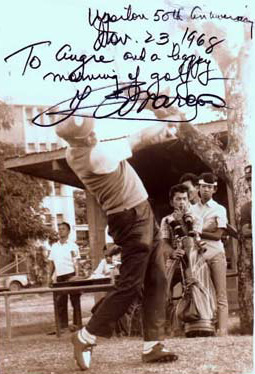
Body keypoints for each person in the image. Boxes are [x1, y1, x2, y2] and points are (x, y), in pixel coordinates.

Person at [55, 109, 183, 369]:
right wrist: (164, 122)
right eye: (87, 132)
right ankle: (86, 336)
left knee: (156, 277)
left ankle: (153, 344)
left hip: (139, 212)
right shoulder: (97, 156)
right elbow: (138, 139)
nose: (93, 133)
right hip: (132, 218)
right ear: (80, 141)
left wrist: (161, 124)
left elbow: (126, 137)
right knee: (130, 285)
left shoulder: (74, 151)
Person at [192, 173, 229, 337]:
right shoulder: (192, 209)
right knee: (201, 291)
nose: (205, 190)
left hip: (215, 253)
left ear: (214, 189)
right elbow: (188, 233)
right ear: (198, 188)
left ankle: (223, 330)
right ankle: (205, 327)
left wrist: (199, 231)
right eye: (203, 186)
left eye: (209, 187)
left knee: (220, 293)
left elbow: (218, 235)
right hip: (198, 255)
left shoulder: (219, 209)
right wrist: (205, 230)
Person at [48, 222, 82, 333]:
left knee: (75, 301)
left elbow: (76, 262)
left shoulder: (72, 246)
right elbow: (52, 263)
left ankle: (77, 324)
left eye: (63, 229)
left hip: (71, 275)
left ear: (68, 231)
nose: (61, 231)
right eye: (59, 229)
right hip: (60, 277)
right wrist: (49, 277)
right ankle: (63, 326)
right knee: (61, 302)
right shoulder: (54, 246)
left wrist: (77, 275)